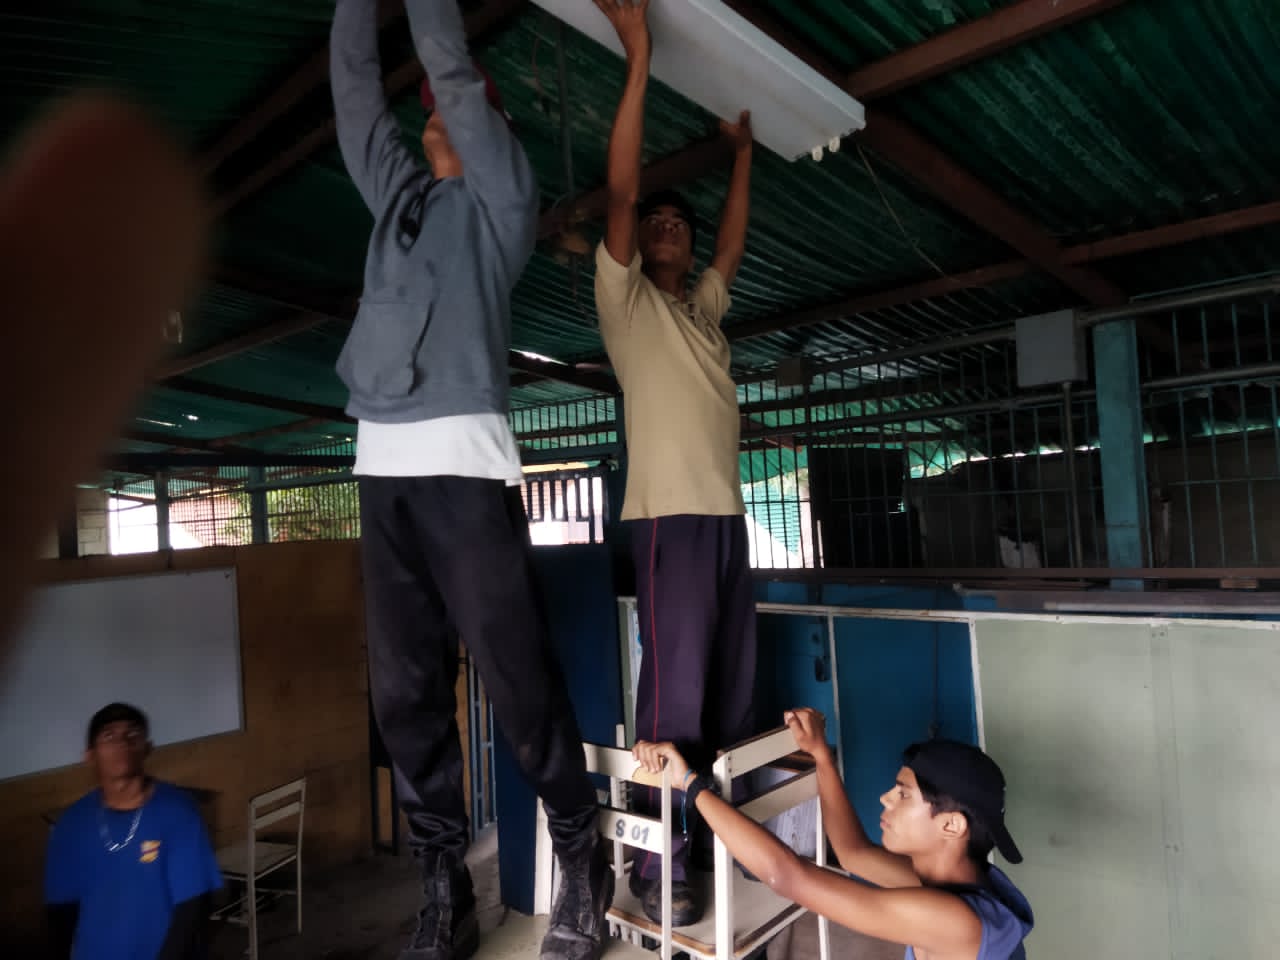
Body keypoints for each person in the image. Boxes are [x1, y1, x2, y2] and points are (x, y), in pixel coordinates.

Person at [328, 3, 612, 959]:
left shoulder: (501, 204)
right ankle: (442, 886)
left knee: (516, 681)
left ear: (488, 125)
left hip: (464, 467)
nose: (432, 117)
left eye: (453, 110)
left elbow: (448, 71)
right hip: (382, 469)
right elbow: (357, 103)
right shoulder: (400, 203)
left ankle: (581, 857)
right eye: (433, 115)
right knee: (404, 692)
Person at [591, 0, 757, 926]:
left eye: (675, 226)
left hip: (727, 522)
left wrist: (739, 155)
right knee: (676, 691)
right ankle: (659, 865)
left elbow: (731, 241)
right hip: (668, 521)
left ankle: (721, 842)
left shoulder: (702, 317)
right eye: (652, 222)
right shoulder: (627, 309)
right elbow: (619, 195)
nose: (663, 228)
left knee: (731, 685)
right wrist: (640, 55)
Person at [633, 709, 1034, 960]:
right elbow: (853, 853)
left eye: (903, 794)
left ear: (952, 825)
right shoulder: (954, 881)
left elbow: (786, 876)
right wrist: (821, 755)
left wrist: (689, 783)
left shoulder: (957, 920)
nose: (885, 798)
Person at [44, 703, 222, 960]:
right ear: (90, 755)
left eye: (132, 734)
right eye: (109, 736)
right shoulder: (71, 826)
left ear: (147, 748)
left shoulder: (179, 812)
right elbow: (61, 912)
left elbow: (192, 907)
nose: (122, 743)